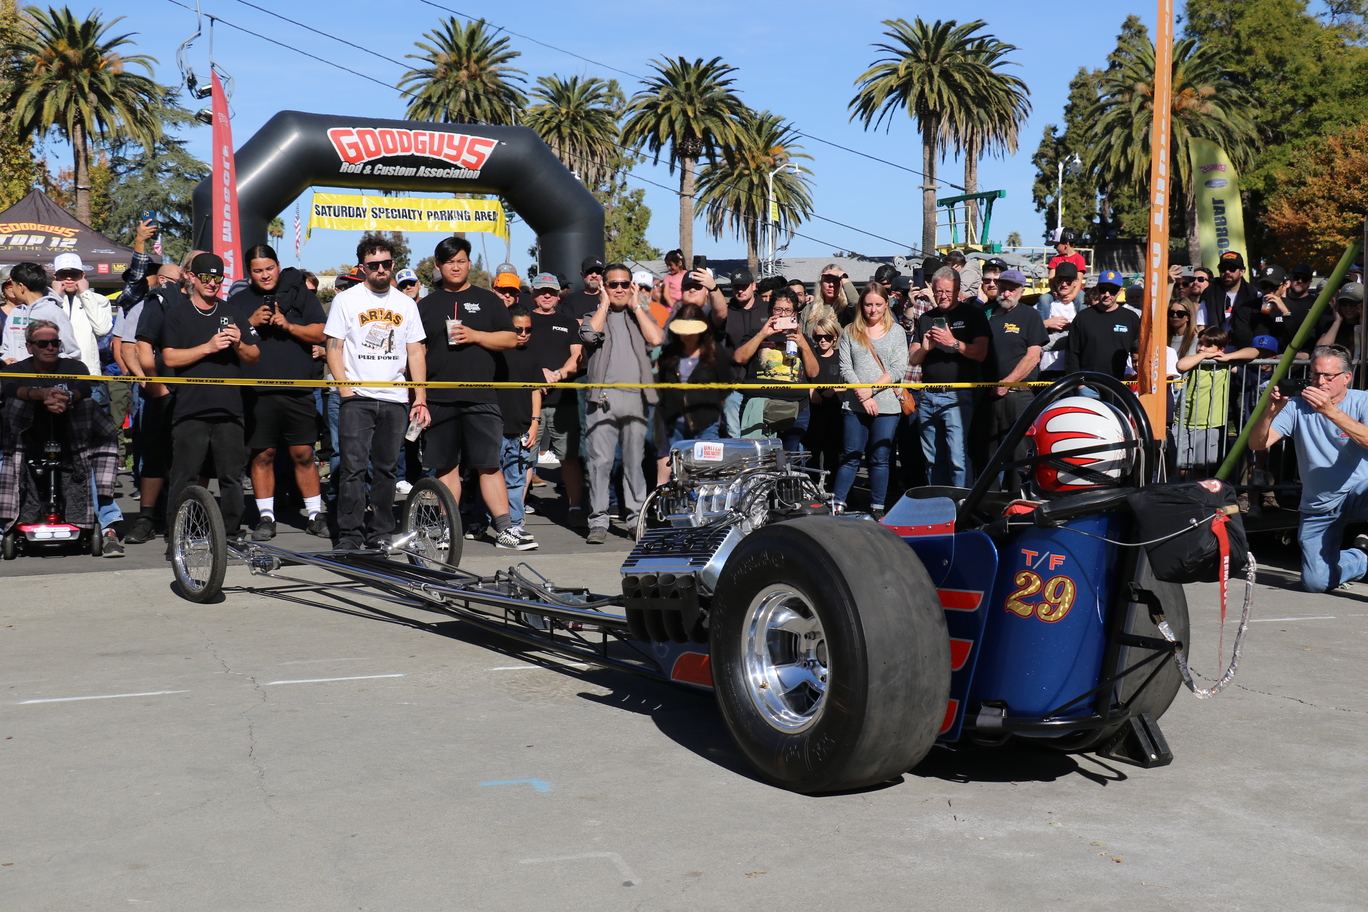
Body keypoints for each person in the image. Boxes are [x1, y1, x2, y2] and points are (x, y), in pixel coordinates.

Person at [417, 236, 529, 551]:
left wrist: (476, 335)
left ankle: (506, 530)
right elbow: (417, 353)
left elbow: (510, 339)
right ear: (438, 265)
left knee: (488, 464)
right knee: (446, 467)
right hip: (439, 398)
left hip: (482, 396)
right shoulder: (425, 305)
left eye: (461, 261)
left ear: (469, 263)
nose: (456, 267)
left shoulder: (489, 300)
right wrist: (420, 397)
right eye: (449, 262)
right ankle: (446, 530)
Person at [324, 237, 428, 550]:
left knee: (386, 470)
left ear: (392, 264)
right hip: (357, 398)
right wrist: (345, 390)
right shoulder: (347, 300)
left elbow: (416, 352)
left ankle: (381, 532)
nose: (380, 269)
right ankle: (350, 534)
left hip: (395, 399)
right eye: (373, 265)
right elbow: (333, 347)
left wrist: (420, 397)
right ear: (362, 267)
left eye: (385, 263)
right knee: (352, 468)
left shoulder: (406, 304)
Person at [158, 253, 260, 545]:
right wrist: (208, 347)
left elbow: (254, 356)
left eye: (217, 278)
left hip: (229, 410)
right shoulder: (177, 315)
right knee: (185, 477)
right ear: (192, 277)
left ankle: (231, 534)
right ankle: (179, 535)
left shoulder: (233, 313)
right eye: (206, 277)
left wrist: (238, 343)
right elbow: (169, 358)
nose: (212, 283)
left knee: (231, 477)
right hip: (191, 410)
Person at [1250, 345, 1368, 592]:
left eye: (1328, 376)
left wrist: (1330, 412)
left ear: (1347, 377)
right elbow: (1257, 444)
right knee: (1315, 582)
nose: (1320, 382)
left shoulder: (1362, 400)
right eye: (1315, 375)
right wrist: (1270, 413)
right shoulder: (1295, 405)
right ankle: (1360, 558)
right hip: (1319, 502)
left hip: (1358, 492)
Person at [1, 319, 123, 556]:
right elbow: (10, 389)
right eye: (42, 343)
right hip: (25, 441)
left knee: (93, 466)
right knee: (5, 462)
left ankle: (109, 530)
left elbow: (84, 388)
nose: (50, 347)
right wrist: (40, 394)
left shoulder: (74, 367)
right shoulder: (15, 369)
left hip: (73, 440)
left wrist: (66, 397)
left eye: (55, 343)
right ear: (29, 347)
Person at [232, 244, 329, 540]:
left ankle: (315, 514)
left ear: (278, 265)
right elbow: (228, 341)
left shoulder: (302, 294)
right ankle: (266, 516)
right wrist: (250, 323)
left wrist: (288, 326)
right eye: (257, 270)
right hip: (256, 391)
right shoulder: (238, 300)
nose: (265, 275)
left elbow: (322, 332)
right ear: (249, 272)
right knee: (263, 454)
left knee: (303, 453)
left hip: (298, 389)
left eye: (270, 268)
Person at [579, 264, 663, 544]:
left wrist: (637, 305)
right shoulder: (593, 315)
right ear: (603, 287)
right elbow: (588, 335)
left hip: (636, 400)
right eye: (612, 284)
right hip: (601, 400)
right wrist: (603, 304)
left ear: (631, 286)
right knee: (599, 463)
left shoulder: (639, 315)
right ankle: (598, 522)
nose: (619, 289)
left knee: (633, 462)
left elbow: (656, 339)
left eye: (624, 284)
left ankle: (636, 519)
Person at [832, 284, 909, 519]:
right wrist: (862, 394)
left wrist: (871, 391)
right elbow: (845, 368)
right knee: (851, 455)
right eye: (868, 304)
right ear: (861, 305)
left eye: (878, 304)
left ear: (886, 305)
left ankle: (877, 506)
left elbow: (898, 368)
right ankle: (838, 504)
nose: (873, 309)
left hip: (887, 405)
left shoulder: (897, 332)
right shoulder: (849, 331)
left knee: (880, 458)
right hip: (855, 404)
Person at [121, 263, 185, 544]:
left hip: (188, 393)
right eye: (177, 278)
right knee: (153, 454)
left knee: (183, 456)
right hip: (157, 392)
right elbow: (129, 348)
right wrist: (149, 382)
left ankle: (179, 516)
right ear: (162, 279)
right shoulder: (146, 305)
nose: (181, 282)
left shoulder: (195, 305)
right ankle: (147, 517)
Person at [909, 267, 990, 486]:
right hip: (927, 396)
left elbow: (981, 353)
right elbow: (913, 359)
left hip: (957, 395)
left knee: (958, 458)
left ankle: (963, 503)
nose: (943, 296)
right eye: (938, 291)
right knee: (932, 459)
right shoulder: (926, 318)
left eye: (948, 291)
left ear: (957, 291)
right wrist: (925, 348)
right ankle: (938, 502)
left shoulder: (973, 315)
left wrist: (953, 343)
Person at [525, 271, 586, 526]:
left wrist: (558, 374)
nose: (547, 295)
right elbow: (515, 353)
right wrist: (538, 373)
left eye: (551, 291)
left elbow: (577, 357)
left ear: (559, 295)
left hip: (564, 401)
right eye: (542, 291)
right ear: (533, 293)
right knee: (525, 460)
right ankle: (515, 516)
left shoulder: (569, 323)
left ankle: (576, 508)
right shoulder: (523, 320)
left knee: (569, 458)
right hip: (528, 404)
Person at [977, 269, 1046, 490]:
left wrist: (1007, 383)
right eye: (1003, 288)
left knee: (1018, 457)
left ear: (1021, 292)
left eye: (1012, 290)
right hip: (987, 398)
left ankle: (1017, 503)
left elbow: (1033, 356)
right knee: (987, 458)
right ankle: (987, 505)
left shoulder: (1030, 316)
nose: (1006, 293)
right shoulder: (986, 314)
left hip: (1018, 397)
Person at [732, 288, 818, 450]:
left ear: (794, 313)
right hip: (759, 406)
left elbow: (813, 372)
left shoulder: (802, 339)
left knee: (789, 457)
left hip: (796, 408)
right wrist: (763, 334)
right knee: (759, 455)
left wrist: (803, 345)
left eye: (788, 310)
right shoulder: (756, 333)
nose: (783, 314)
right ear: (770, 311)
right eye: (778, 309)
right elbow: (739, 358)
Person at [653, 304, 728, 482]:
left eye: (692, 331)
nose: (687, 336)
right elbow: (662, 386)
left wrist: (713, 408)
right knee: (679, 477)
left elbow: (726, 385)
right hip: (675, 425)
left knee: (707, 475)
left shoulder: (716, 352)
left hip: (706, 424)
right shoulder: (668, 353)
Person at [493, 305, 542, 548]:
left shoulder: (532, 355)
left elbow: (536, 391)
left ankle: (514, 525)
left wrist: (535, 423)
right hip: (495, 428)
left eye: (528, 330)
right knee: (490, 478)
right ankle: (484, 522)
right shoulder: (496, 352)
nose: (523, 334)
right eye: (518, 329)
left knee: (517, 480)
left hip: (521, 430)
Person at [1066, 270, 1139, 378]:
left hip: (1118, 383)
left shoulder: (1130, 318)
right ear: (1097, 289)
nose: (1107, 295)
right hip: (1088, 382)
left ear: (1120, 291)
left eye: (1112, 291)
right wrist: (1078, 382)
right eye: (1103, 289)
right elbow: (1072, 353)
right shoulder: (1083, 317)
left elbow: (1138, 350)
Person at [1, 262, 78, 364]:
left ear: (21, 287)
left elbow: (72, 353)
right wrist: (5, 362)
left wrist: (45, 365)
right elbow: (6, 349)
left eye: (12, 285)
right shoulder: (15, 313)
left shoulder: (55, 313)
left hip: (44, 374)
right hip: (15, 373)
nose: (12, 290)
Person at [49, 253, 113, 377]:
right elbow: (42, 327)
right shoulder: (46, 300)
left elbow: (103, 330)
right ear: (55, 277)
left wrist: (85, 293)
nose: (69, 278)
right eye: (63, 275)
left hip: (88, 370)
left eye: (74, 274)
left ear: (83, 276)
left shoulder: (99, 300)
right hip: (52, 370)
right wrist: (55, 297)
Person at [802, 315, 845, 488]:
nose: (822, 341)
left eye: (827, 336)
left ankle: (834, 489)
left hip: (835, 412)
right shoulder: (810, 355)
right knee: (812, 454)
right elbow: (800, 377)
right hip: (814, 412)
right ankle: (811, 488)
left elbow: (852, 382)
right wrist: (811, 390)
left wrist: (835, 389)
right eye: (818, 337)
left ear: (834, 337)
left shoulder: (841, 356)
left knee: (833, 454)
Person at [1035, 261, 1087, 378]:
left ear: (1076, 282)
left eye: (1068, 281)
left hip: (1074, 368)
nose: (1064, 284)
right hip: (1047, 368)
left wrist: (1073, 327)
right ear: (1054, 281)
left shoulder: (1082, 306)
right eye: (1060, 280)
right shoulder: (1042, 304)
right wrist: (1045, 324)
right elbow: (1027, 331)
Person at [1198, 250, 1258, 333]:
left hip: (1245, 340)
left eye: (1232, 269)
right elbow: (1201, 326)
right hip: (1215, 340)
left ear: (1242, 271)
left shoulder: (1253, 294)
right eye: (1223, 269)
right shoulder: (1209, 293)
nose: (1227, 272)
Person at [559, 256, 608, 322]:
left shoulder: (609, 297)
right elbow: (569, 323)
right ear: (582, 274)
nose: (594, 275)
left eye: (598, 272)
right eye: (590, 271)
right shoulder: (571, 299)